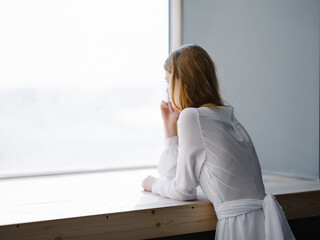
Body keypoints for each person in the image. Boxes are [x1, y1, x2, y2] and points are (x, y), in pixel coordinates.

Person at [141, 44, 295, 240]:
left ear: (180, 80)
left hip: (240, 227)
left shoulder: (192, 117)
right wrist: (170, 129)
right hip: (262, 223)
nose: (167, 91)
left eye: (167, 82)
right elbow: (180, 178)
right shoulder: (227, 117)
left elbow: (182, 189)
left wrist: (153, 184)